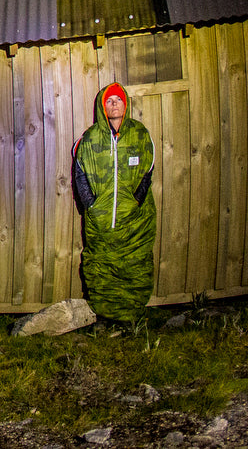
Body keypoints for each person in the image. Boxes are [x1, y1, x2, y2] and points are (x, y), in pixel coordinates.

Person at [71, 81, 157, 321]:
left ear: (126, 104)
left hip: (135, 222)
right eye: (109, 101)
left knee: (134, 264)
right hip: (101, 221)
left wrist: (136, 202)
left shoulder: (140, 134)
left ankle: (132, 315)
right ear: (102, 106)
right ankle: (104, 315)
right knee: (101, 264)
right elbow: (80, 174)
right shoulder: (89, 139)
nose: (114, 104)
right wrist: (92, 206)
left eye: (118, 99)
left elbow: (148, 169)